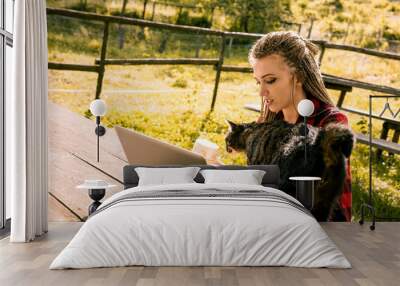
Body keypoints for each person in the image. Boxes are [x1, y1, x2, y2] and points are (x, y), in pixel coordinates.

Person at [248, 31, 352, 222]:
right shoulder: (269, 122)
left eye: (270, 80)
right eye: (258, 82)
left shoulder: (329, 123)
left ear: (299, 77)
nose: (262, 92)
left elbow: (333, 207)